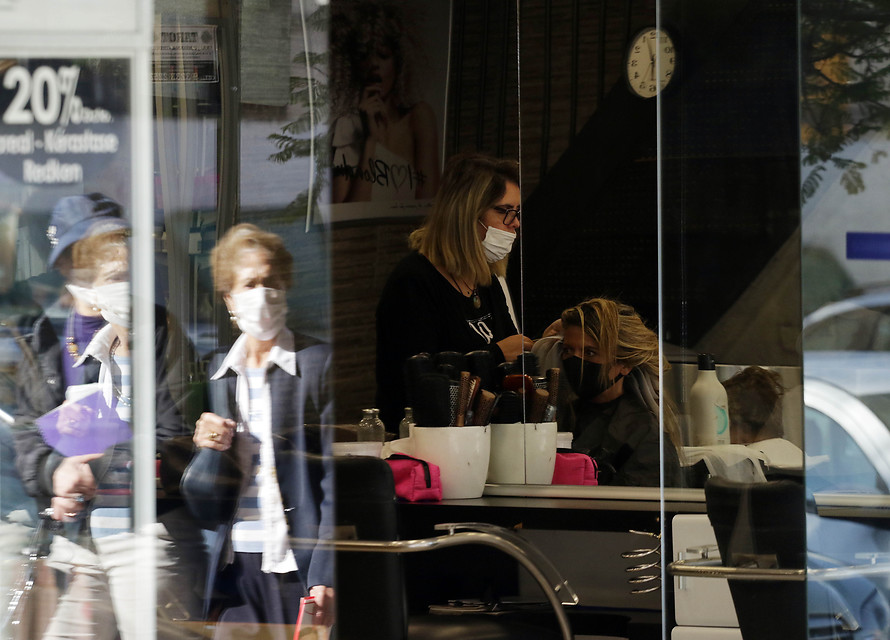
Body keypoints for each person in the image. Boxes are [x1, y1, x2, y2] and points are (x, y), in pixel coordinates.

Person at [13, 224, 205, 640]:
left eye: (131, 276)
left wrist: (94, 456)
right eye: (114, 278)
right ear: (88, 288)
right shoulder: (69, 345)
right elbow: (31, 434)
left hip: (147, 529)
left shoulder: (165, 337)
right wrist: (56, 472)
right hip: (77, 535)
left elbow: (177, 439)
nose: (126, 287)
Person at [189, 224, 334, 639]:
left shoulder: (315, 364)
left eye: (271, 282)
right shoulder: (219, 374)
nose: (263, 293)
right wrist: (206, 451)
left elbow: (332, 478)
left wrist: (325, 573)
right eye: (250, 284)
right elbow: (203, 497)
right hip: (236, 567)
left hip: (296, 567)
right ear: (229, 299)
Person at [375, 152, 532, 431]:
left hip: (477, 432)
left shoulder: (486, 278)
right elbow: (422, 379)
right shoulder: (414, 281)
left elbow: (511, 354)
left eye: (517, 212)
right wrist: (495, 354)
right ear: (467, 213)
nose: (515, 223)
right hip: (424, 436)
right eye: (504, 210)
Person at [557, 297, 682, 486]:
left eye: (590, 352)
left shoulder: (645, 438)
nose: (575, 361)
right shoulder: (560, 416)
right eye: (568, 350)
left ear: (624, 364)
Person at [330, 0, 440, 203]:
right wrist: (370, 142)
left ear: (399, 62)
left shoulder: (419, 118)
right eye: (364, 56)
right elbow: (348, 213)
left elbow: (427, 205)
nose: (373, 65)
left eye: (383, 56)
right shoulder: (347, 127)